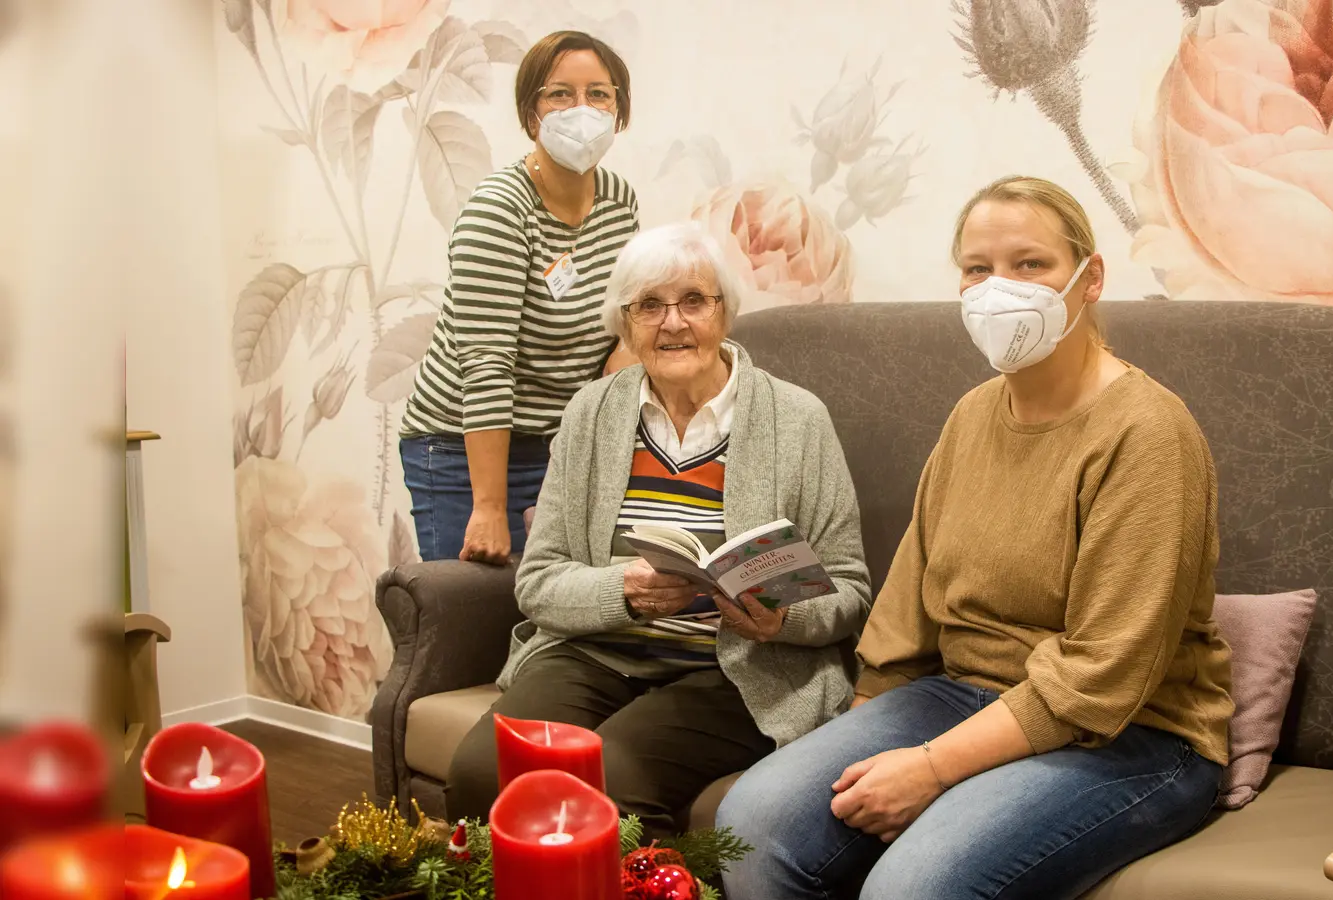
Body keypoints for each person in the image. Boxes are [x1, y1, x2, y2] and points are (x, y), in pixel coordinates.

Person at [718, 176, 1235, 900]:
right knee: (754, 824)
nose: (1001, 289)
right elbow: (911, 606)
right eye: (978, 269)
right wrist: (864, 742)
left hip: (1135, 734)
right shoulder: (972, 415)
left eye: (1031, 265)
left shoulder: (1148, 433)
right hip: (962, 695)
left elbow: (1102, 679)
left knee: (913, 887)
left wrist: (930, 769)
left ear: (1090, 280)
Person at [445, 222, 874, 840]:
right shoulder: (590, 412)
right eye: (650, 305)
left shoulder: (799, 419)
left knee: (615, 777)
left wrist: (783, 619)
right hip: (597, 653)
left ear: (725, 313)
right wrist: (623, 591)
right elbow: (537, 582)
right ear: (625, 323)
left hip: (734, 668)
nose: (673, 323)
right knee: (483, 772)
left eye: (694, 301)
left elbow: (850, 588)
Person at [399, 30, 641, 565]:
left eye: (599, 94)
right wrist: (488, 505)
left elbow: (626, 320)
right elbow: (486, 365)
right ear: (531, 113)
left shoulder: (620, 203)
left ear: (619, 111)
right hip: (464, 450)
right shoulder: (500, 211)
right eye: (560, 93)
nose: (582, 109)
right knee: (471, 620)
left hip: (558, 448)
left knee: (553, 612)